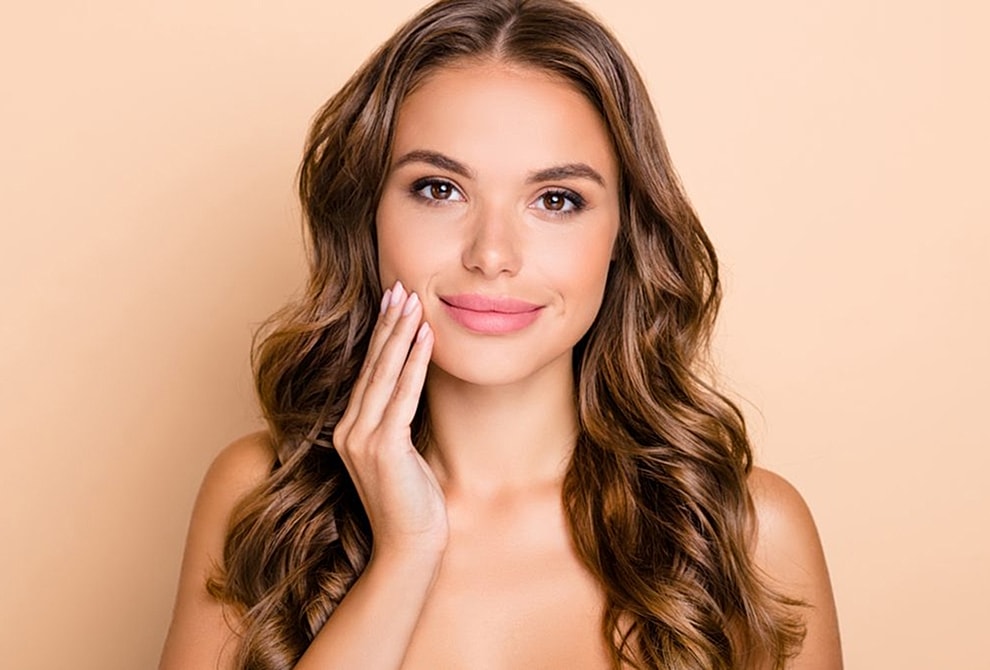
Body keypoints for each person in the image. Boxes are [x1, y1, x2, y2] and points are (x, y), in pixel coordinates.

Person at [159, 0, 842, 668]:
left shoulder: (749, 536)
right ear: (367, 215)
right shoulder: (264, 499)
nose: (492, 253)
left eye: (557, 200)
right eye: (439, 189)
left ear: (622, 234)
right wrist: (405, 553)